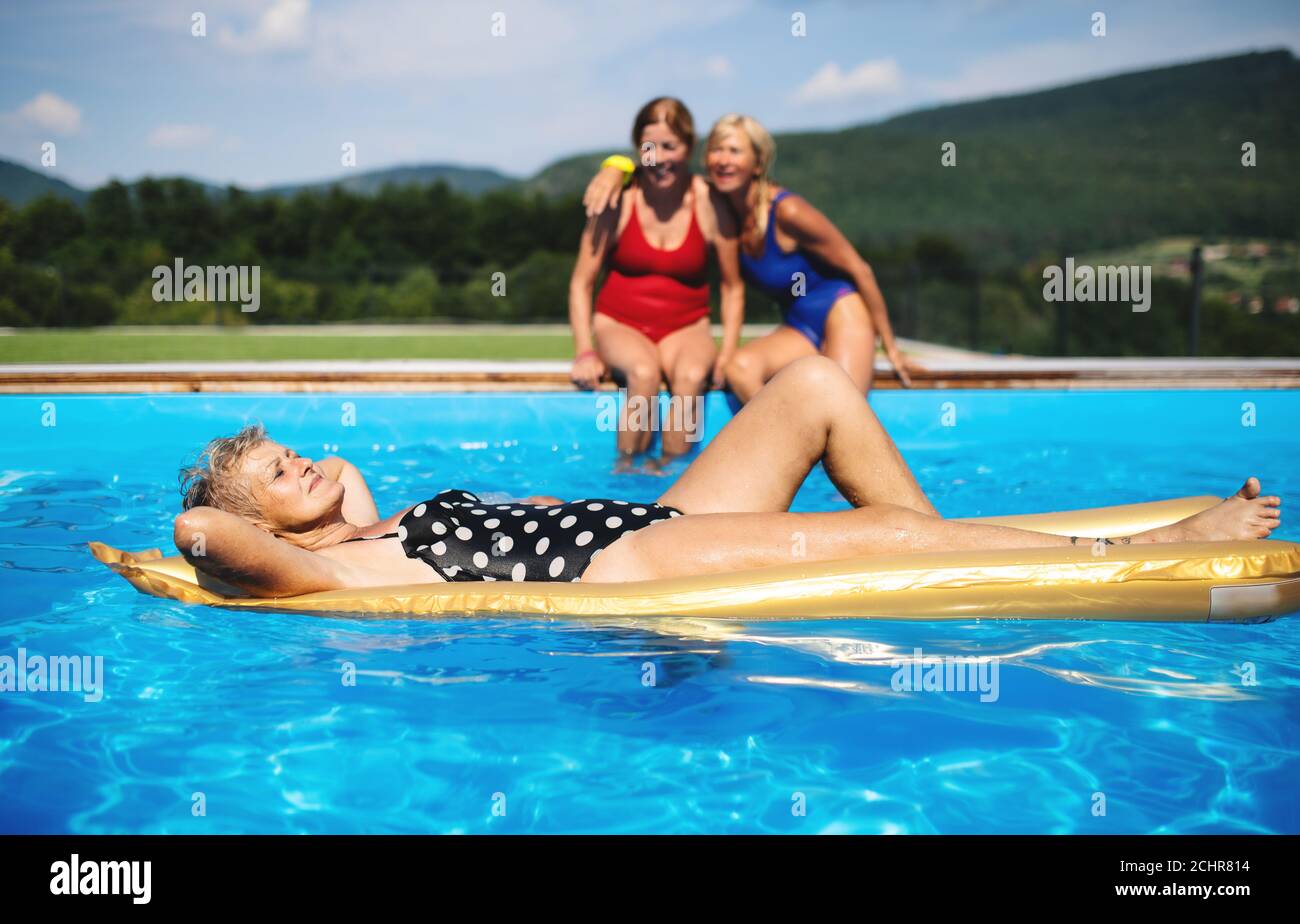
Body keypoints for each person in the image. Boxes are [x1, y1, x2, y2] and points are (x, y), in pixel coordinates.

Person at [172, 356, 1281, 597]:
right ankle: (1118, 560)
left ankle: (967, 564)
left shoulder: (369, 519)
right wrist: (212, 517)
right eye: (282, 469)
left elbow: (346, 478)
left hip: (644, 512)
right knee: (884, 542)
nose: (311, 462)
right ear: (262, 517)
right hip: (623, 560)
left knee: (809, 387)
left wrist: (283, 478)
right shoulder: (318, 573)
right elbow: (216, 545)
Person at [584, 113, 917, 403]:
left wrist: (890, 347)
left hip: (842, 312)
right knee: (739, 370)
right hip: (799, 325)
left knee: (841, 407)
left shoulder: (787, 210)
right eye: (716, 149)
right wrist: (616, 167)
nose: (724, 159)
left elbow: (861, 269)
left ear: (757, 164)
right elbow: (660, 170)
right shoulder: (718, 206)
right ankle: (791, 443)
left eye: (735, 151)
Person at [568, 97, 744, 470]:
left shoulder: (710, 202)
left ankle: (671, 476)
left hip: (687, 324)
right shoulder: (617, 200)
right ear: (636, 149)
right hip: (620, 321)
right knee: (643, 375)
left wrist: (727, 352)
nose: (658, 157)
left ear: (688, 148)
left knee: (692, 377)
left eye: (670, 146)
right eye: (648, 147)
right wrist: (585, 351)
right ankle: (624, 474)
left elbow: (732, 286)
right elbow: (582, 283)